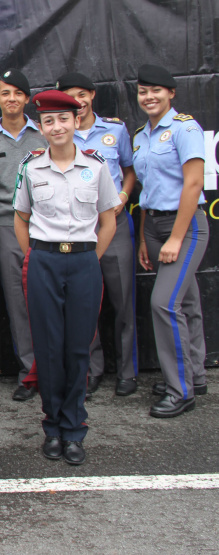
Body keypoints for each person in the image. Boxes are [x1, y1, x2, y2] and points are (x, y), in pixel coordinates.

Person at [13, 90, 120, 465]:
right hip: (44, 261)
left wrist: (90, 258)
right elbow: (20, 219)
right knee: (48, 348)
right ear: (41, 128)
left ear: (76, 121)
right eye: (48, 121)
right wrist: (35, 257)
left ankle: (74, 428)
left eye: (63, 119)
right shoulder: (31, 168)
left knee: (77, 348)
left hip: (84, 262)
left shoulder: (96, 166)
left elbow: (108, 220)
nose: (56, 127)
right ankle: (53, 427)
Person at [56, 72, 139, 397]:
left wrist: (123, 196)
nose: (77, 101)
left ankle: (128, 372)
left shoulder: (115, 130)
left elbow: (129, 171)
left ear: (92, 95)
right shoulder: (60, 133)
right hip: (78, 229)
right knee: (83, 303)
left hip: (113, 225)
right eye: (70, 96)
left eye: (82, 94)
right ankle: (91, 370)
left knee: (123, 302)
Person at [134, 64, 209, 418]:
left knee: (164, 304)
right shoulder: (140, 135)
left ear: (171, 93)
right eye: (143, 91)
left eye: (156, 90)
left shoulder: (185, 128)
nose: (149, 97)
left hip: (185, 225)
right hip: (153, 224)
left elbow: (193, 185)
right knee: (187, 302)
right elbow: (147, 190)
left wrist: (176, 238)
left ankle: (180, 391)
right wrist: (144, 238)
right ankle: (195, 376)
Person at [0, 69, 47, 401]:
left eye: (18, 93)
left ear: (26, 98)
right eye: (5, 93)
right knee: (18, 305)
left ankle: (60, 372)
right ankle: (30, 374)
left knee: (53, 301)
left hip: (46, 227)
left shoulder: (44, 134)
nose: (11, 98)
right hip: (5, 228)